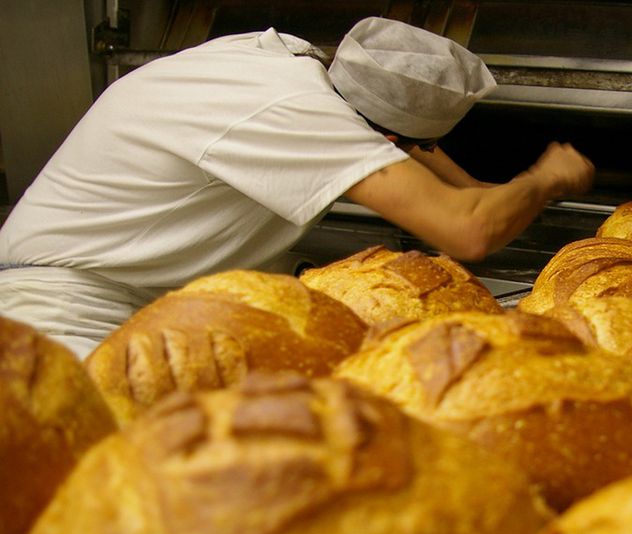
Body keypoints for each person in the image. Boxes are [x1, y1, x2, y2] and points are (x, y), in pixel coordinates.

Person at [0, 17, 594, 359]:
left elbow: (436, 165)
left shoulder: (287, 65)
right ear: (383, 136)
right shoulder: (295, 113)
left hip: (141, 301)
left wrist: (501, 190)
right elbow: (467, 227)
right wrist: (544, 179)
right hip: (62, 310)